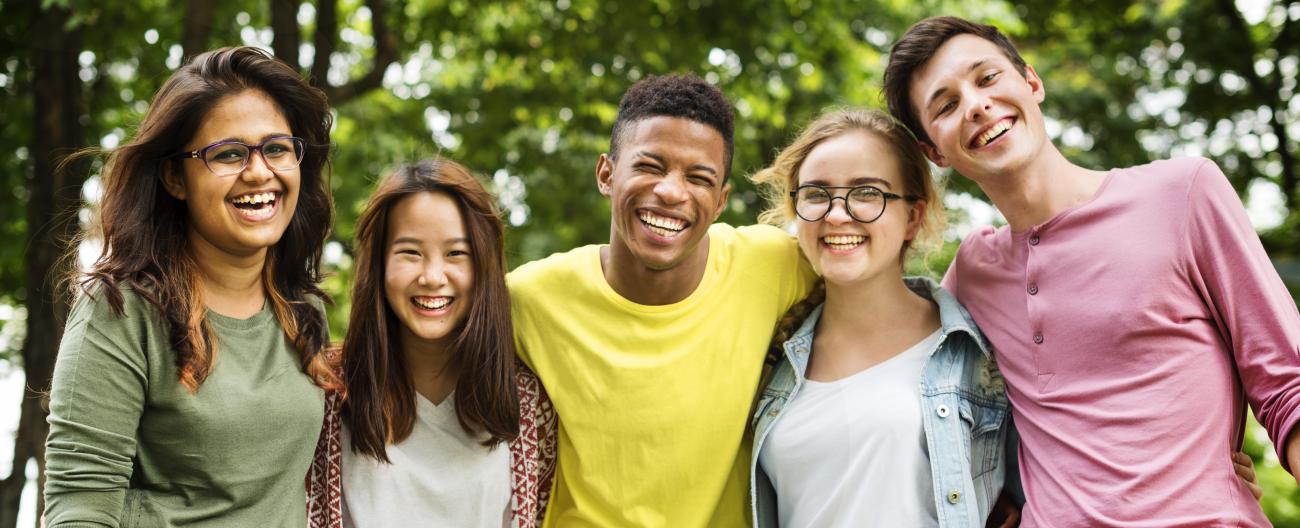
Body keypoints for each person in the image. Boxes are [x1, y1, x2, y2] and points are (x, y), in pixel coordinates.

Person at [883, 16, 1300, 526]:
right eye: (946, 105)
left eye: (987, 78)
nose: (975, 105)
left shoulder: (1183, 193)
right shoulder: (971, 274)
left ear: (1031, 82)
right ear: (934, 152)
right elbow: (920, 402)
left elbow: (1288, 387)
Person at [43, 46, 338, 527]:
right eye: (228, 154)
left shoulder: (301, 308)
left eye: (277, 148)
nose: (260, 171)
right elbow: (80, 507)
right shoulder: (120, 310)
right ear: (175, 178)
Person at [508, 74, 817, 526]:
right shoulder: (528, 297)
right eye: (650, 166)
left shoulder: (774, 264)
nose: (672, 191)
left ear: (720, 201)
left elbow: (871, 281)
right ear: (606, 175)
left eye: (699, 178)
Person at [749, 108, 1011, 527]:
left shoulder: (976, 350)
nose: (836, 214)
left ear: (913, 216)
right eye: (816, 193)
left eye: (867, 192)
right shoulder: (770, 358)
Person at [304, 159, 556, 528]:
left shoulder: (529, 402)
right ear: (379, 265)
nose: (433, 277)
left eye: (457, 253)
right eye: (410, 252)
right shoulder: (325, 389)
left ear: (484, 266)